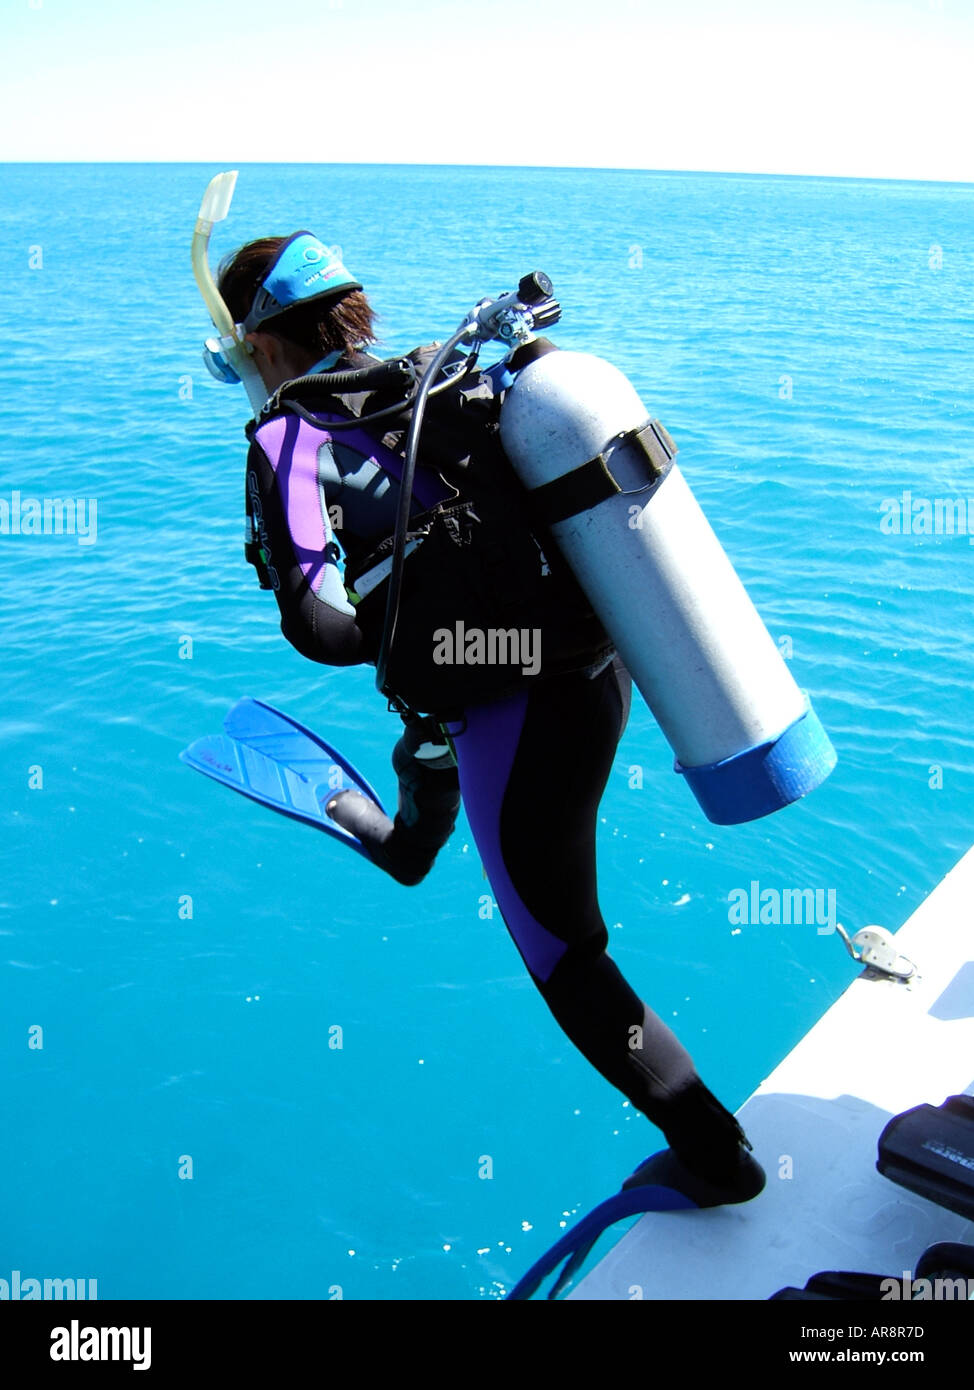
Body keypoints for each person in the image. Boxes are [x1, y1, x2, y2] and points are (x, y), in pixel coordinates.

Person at [215, 231, 765, 1206]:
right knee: (428, 754)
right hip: (597, 674)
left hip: (507, 719)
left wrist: (400, 628)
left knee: (567, 957)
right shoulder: (454, 377)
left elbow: (314, 626)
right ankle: (406, 834)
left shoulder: (285, 437)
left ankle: (717, 1160)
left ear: (258, 344)